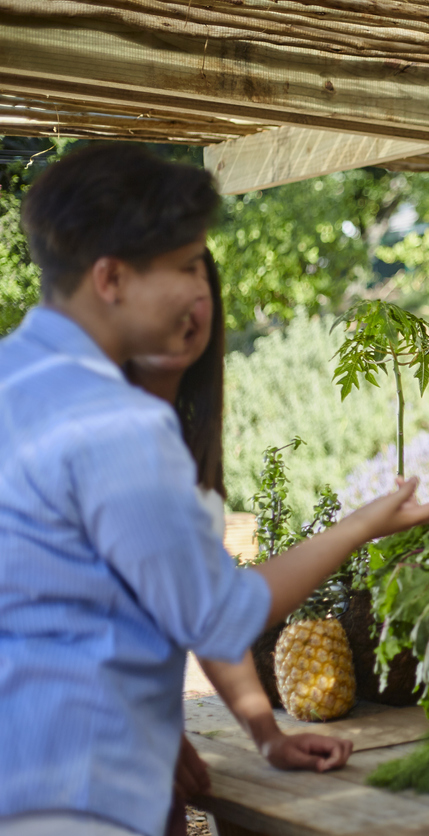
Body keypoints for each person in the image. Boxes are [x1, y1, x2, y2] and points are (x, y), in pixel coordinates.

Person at [0, 144, 429, 836]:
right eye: (186, 265)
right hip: (78, 797)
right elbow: (221, 613)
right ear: (111, 278)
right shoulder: (115, 425)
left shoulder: (17, 381)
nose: (198, 291)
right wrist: (363, 523)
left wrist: (254, 732)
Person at [125, 252, 354, 836]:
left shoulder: (172, 435)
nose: (185, 306)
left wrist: (266, 735)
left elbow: (205, 611)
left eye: (198, 284)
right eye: (166, 278)